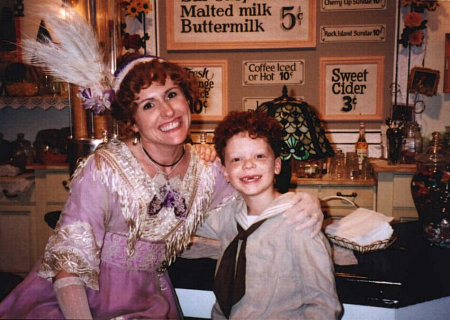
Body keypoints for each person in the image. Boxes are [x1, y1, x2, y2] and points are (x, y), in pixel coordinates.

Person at [0, 54, 324, 319]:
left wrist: (300, 202)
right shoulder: (104, 170)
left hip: (149, 300)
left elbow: (249, 214)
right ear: (131, 121)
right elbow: (68, 265)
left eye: (171, 94)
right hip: (81, 302)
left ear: (187, 98)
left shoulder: (207, 168)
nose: (167, 111)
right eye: (148, 105)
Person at [194, 111, 341, 319]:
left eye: (259, 156)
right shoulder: (227, 216)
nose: (248, 165)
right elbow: (181, 218)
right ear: (225, 172)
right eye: (236, 159)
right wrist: (189, 158)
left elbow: (323, 305)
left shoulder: (299, 220)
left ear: (277, 165)